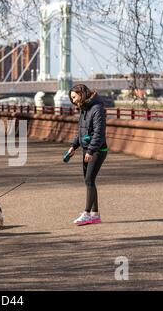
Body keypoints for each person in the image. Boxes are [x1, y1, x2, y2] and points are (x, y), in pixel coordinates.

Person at [67, 84, 108, 226]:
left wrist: (90, 151)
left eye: (74, 97)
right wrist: (73, 146)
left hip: (98, 150)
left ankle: (86, 213)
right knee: (89, 181)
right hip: (87, 149)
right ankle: (95, 214)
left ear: (81, 94)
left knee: (89, 180)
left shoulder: (97, 109)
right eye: (71, 98)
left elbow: (99, 133)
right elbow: (81, 132)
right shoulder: (84, 108)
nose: (73, 101)